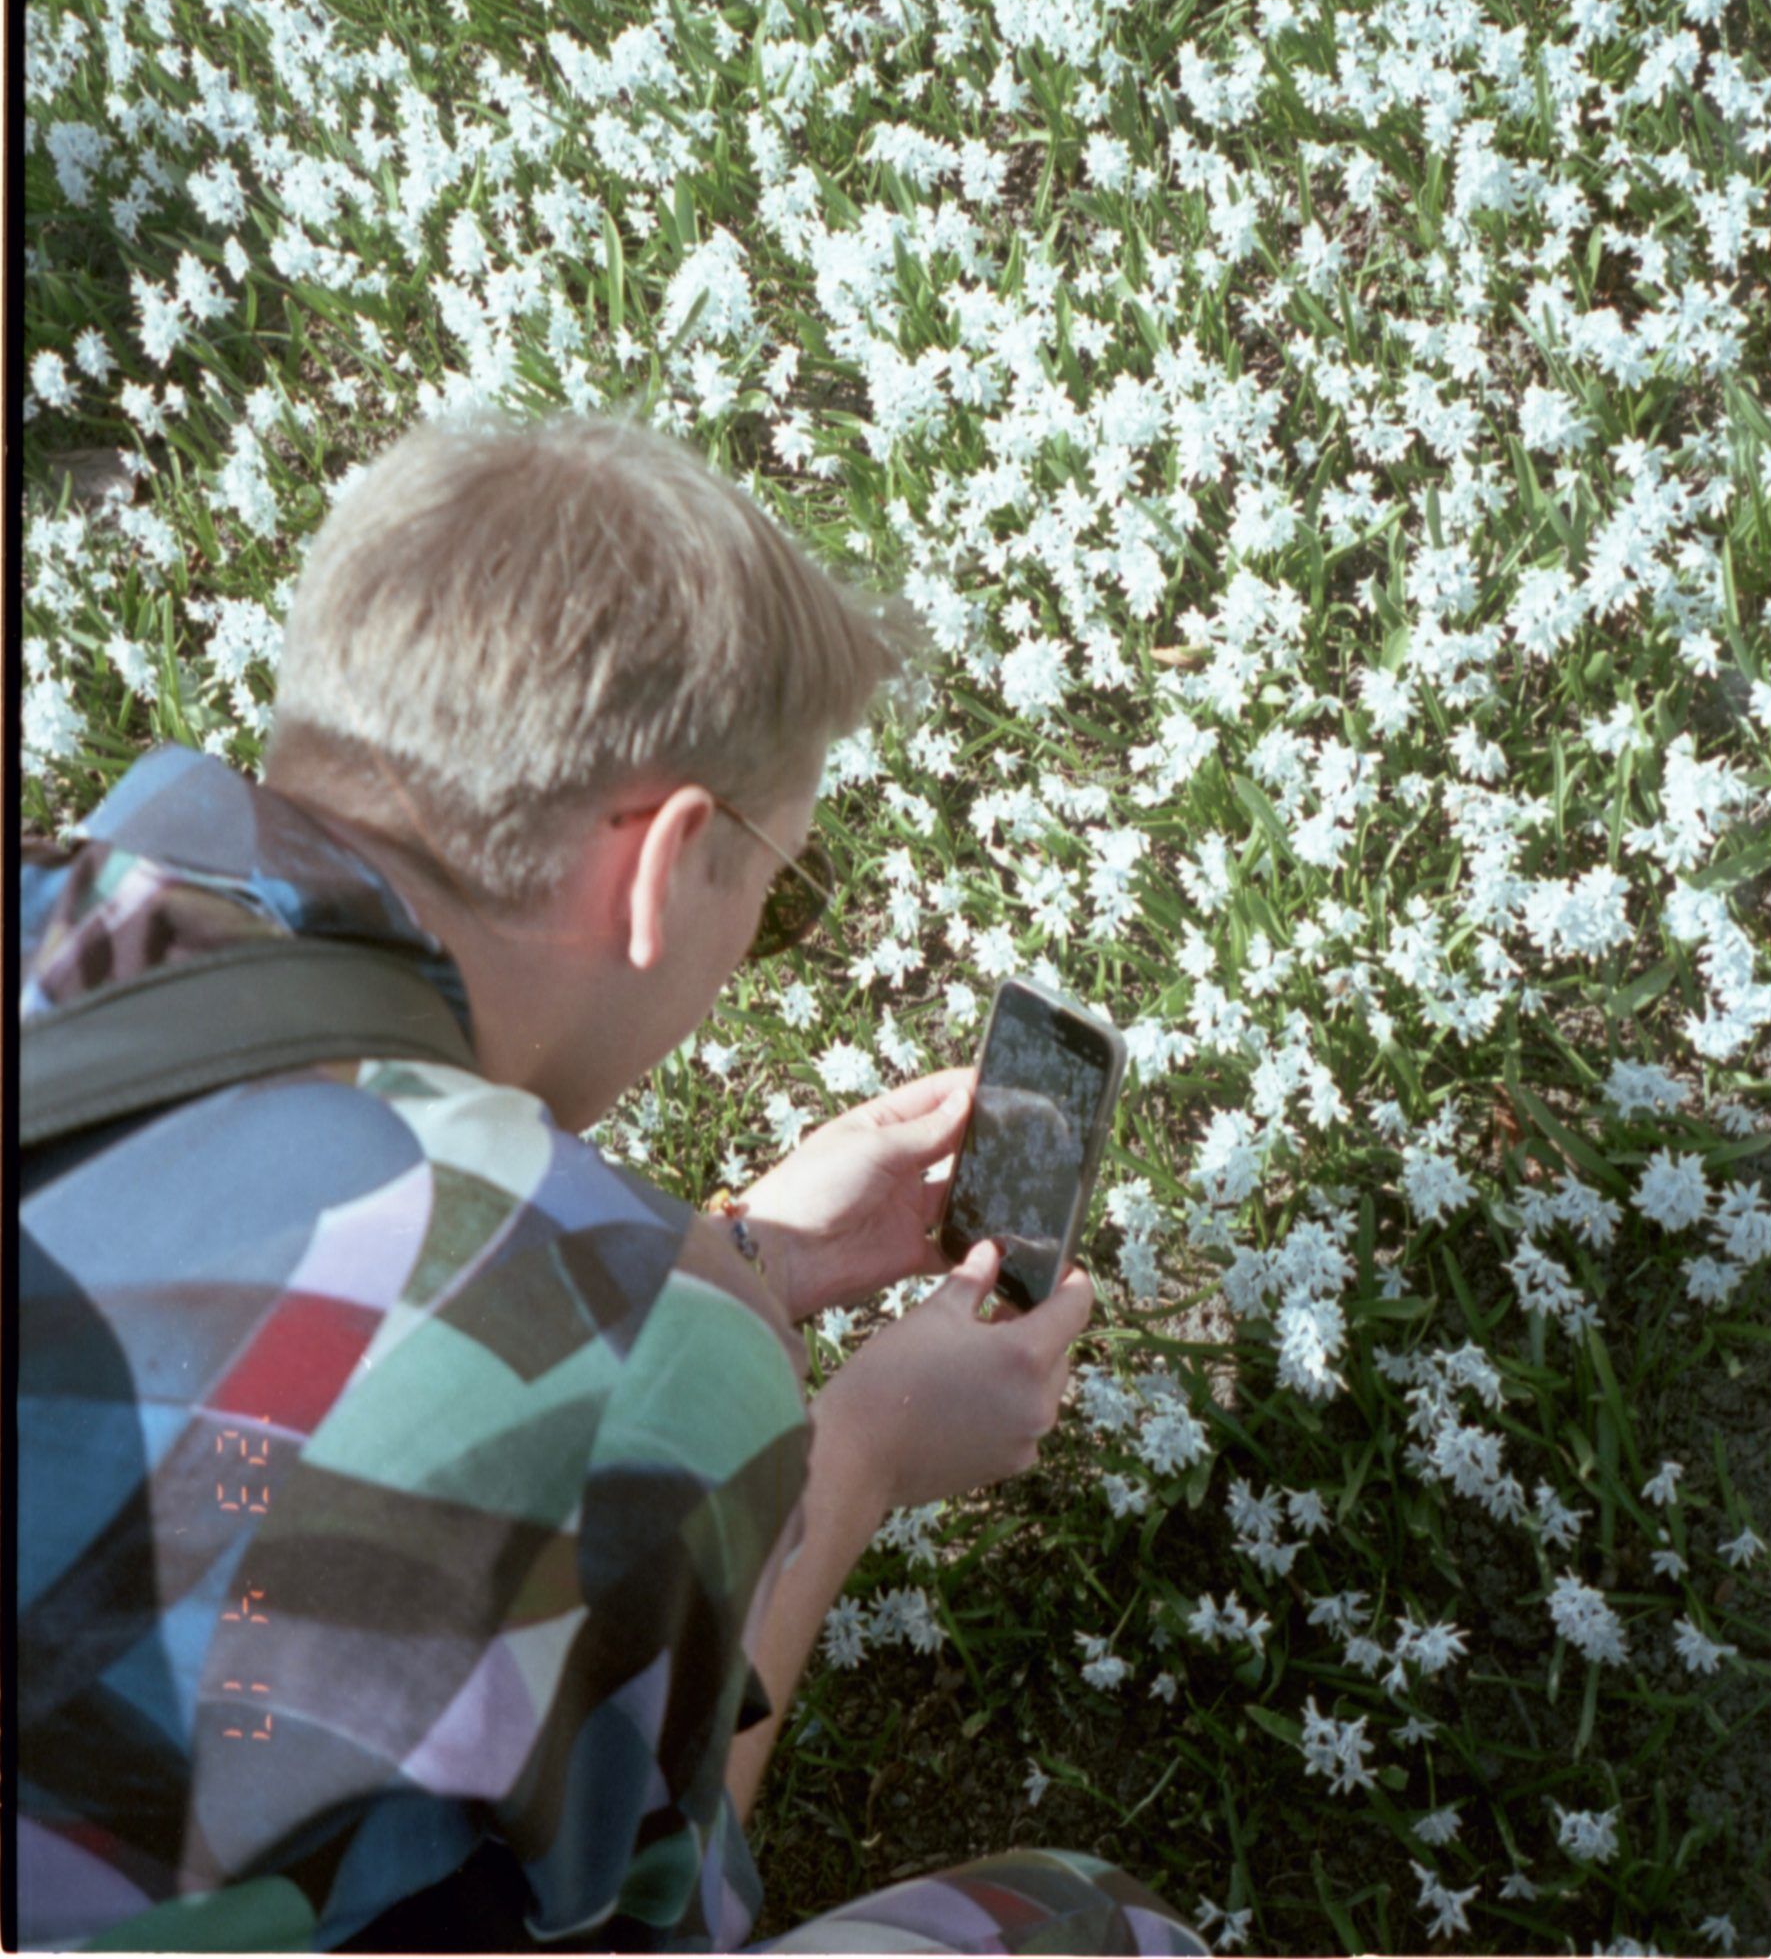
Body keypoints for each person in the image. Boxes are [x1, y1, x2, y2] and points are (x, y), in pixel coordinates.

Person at [17, 408, 1204, 1956]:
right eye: (781, 896)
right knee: (1091, 1928)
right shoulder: (638, 1355)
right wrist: (847, 1457)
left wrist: (748, 1259)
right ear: (659, 864)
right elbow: (639, 1928)